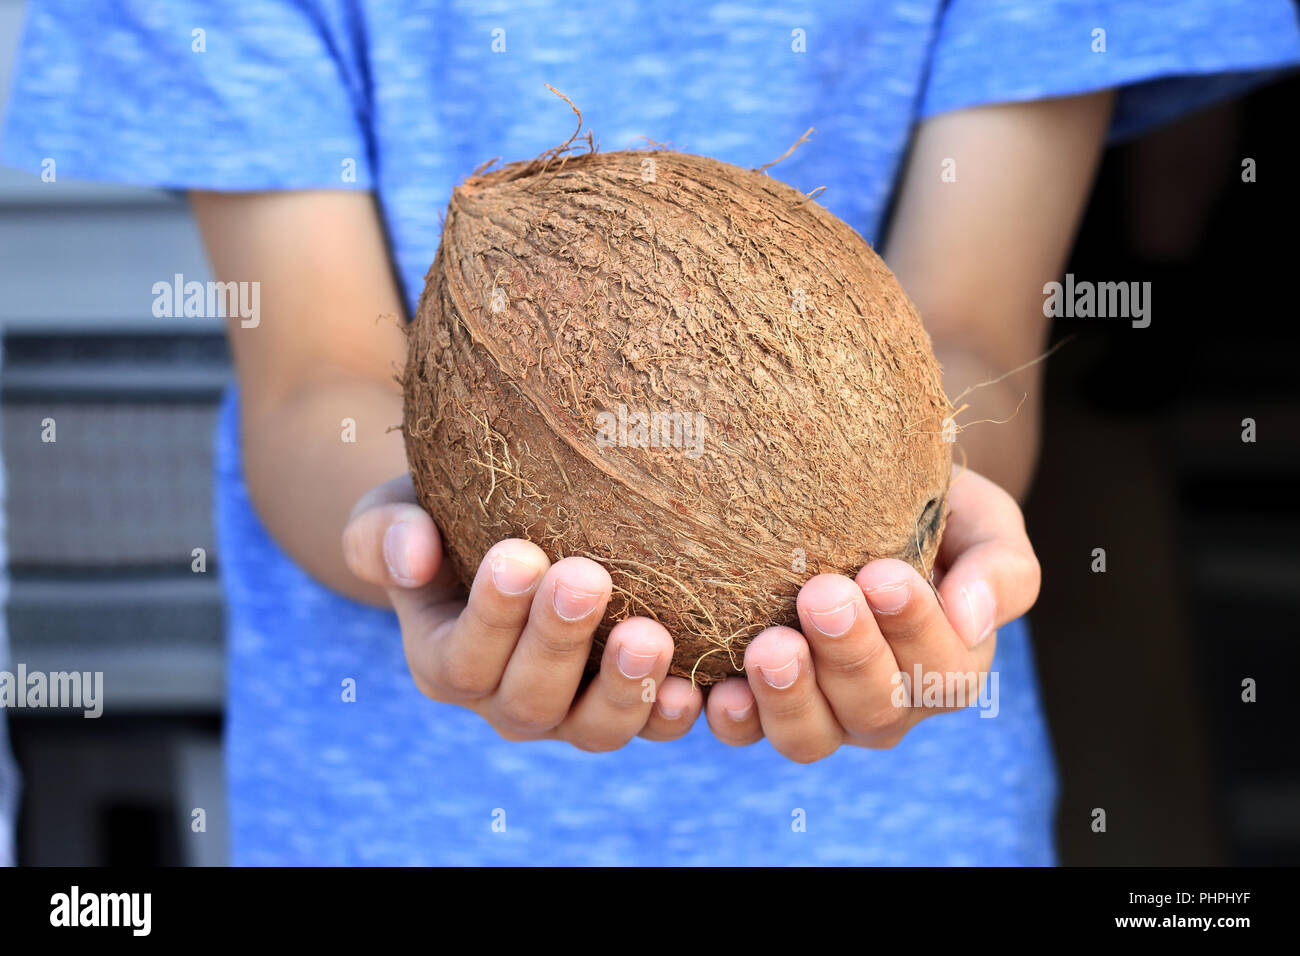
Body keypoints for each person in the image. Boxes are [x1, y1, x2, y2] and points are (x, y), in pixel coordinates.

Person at [5, 1, 1297, 865]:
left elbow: (965, 339)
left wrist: (941, 523)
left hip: (886, 825)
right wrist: (405, 535)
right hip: (399, 823)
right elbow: (312, 384)